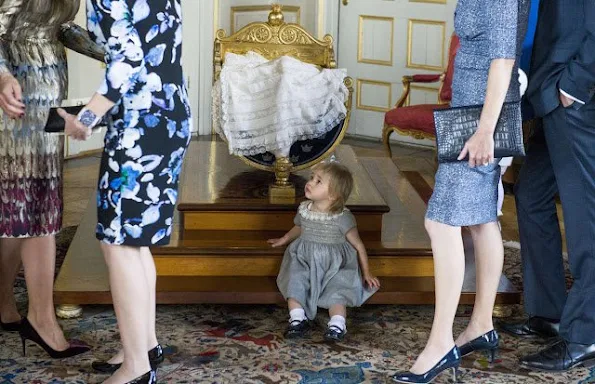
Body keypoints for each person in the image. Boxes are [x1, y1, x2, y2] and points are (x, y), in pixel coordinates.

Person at [391, 1, 530, 383]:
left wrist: (485, 129)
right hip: (470, 114)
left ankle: (440, 343)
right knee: (482, 218)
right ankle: (482, 324)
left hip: (479, 122)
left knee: (439, 221)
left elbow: (503, 60)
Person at [60, 0, 192, 382]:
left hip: (140, 126)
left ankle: (137, 367)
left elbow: (127, 63)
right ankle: (144, 345)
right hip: (168, 113)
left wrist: (85, 118)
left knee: (119, 242)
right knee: (130, 241)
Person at [0, 0, 103, 358]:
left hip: (50, 94)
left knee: (28, 206)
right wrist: (2, 75)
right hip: (15, 98)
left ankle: (5, 304)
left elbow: (59, 26)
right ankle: (41, 318)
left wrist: (112, 54)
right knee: (31, 205)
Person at [500, 0, 595, 372]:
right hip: (547, 92)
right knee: (530, 196)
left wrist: (574, 84)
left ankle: (585, 335)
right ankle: (548, 312)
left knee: (584, 216)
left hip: (572, 97)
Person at [269, 161, 380, 342]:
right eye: (312, 178)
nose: (310, 182)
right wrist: (284, 239)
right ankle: (297, 319)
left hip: (334, 263)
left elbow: (358, 245)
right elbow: (300, 227)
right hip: (305, 257)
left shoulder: (342, 217)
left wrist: (367, 273)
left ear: (334, 195)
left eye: (318, 181)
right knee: (295, 281)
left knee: (338, 291)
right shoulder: (305, 209)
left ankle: (337, 324)